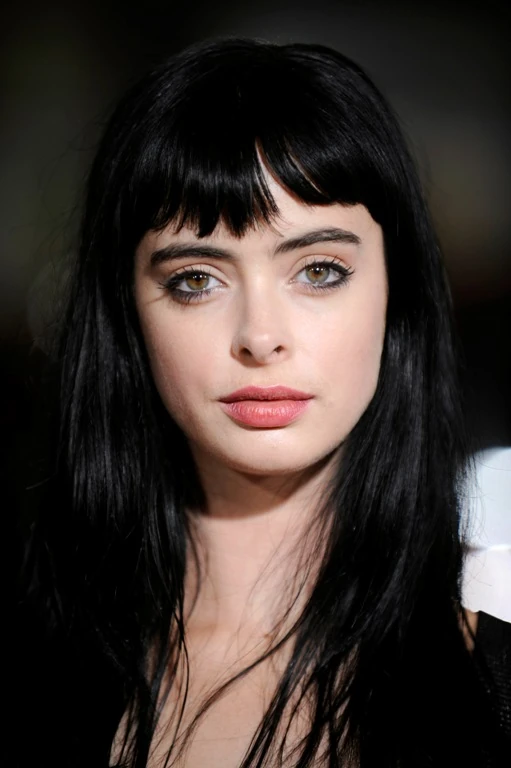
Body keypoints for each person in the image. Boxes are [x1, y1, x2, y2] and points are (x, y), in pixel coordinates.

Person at [17, 38, 510, 768]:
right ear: (127, 315)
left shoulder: (493, 689)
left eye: (319, 270)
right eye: (196, 279)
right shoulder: (34, 676)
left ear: (394, 297)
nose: (259, 336)